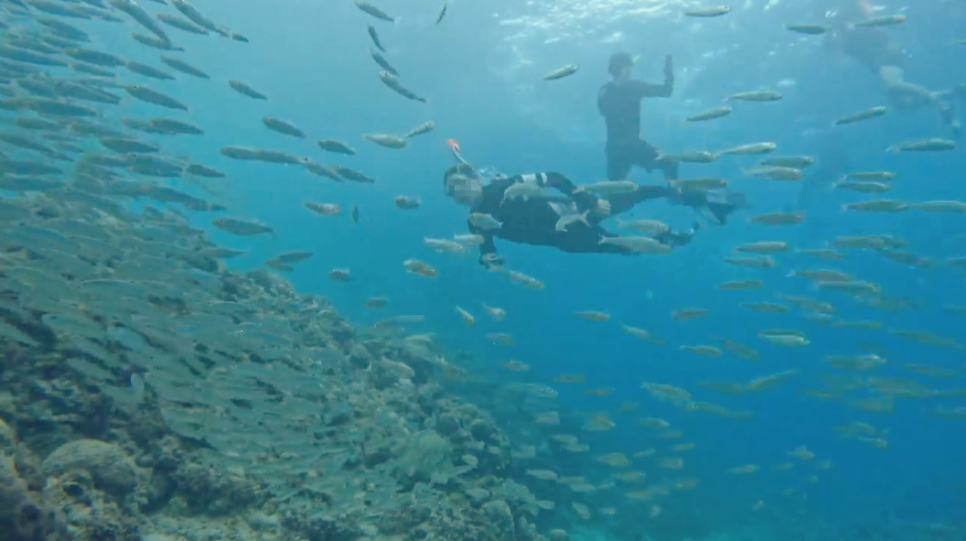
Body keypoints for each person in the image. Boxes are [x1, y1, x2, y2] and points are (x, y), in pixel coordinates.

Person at [442, 161, 744, 268]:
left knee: (639, 193)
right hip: (568, 241)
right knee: (628, 247)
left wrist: (584, 198)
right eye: (450, 192)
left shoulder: (502, 186)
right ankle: (680, 238)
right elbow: (486, 248)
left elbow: (554, 177)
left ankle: (703, 199)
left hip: (574, 210)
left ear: (474, 177)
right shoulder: (474, 221)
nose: (456, 193)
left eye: (458, 184)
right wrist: (488, 260)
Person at [824, 0, 962, 137]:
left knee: (893, 86)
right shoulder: (846, 40)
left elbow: (867, 19)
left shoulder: (846, 30)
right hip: (883, 57)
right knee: (904, 106)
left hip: (886, 53)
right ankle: (949, 94)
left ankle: (943, 107)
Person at [598, 52, 679, 182]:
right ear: (617, 70)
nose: (629, 74)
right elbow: (666, 90)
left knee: (616, 188)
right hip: (628, 146)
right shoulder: (633, 87)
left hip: (617, 148)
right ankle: (674, 189)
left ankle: (674, 189)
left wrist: (668, 71)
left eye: (629, 71)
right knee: (670, 164)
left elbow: (603, 111)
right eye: (627, 70)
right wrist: (668, 72)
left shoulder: (608, 90)